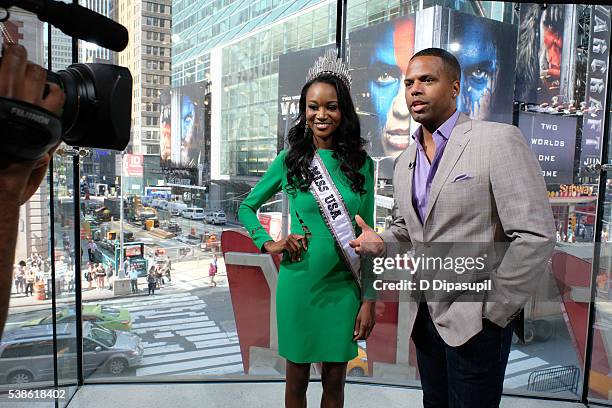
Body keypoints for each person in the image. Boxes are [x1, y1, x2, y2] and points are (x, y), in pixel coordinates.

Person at [349, 48, 556, 408]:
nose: (415, 90)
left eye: (427, 80)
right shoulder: (404, 163)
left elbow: (536, 236)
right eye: (409, 82)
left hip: (479, 321)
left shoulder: (496, 141)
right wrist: (380, 242)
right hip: (425, 317)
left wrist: (494, 310)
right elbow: (407, 231)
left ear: (455, 87)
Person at [238, 49, 376, 408]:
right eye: (313, 107)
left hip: (344, 287)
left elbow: (369, 236)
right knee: (296, 382)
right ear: (304, 111)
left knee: (335, 384)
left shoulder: (363, 164)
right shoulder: (291, 160)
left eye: (330, 106)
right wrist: (269, 243)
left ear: (343, 110)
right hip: (299, 287)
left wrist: (369, 300)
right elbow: (247, 207)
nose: (321, 114)